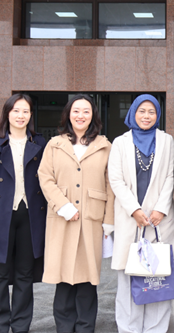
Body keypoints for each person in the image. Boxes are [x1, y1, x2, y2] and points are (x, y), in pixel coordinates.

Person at [38, 94, 115, 333]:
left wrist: (109, 221)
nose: (80, 116)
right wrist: (63, 205)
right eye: (76, 111)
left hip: (92, 219)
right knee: (63, 277)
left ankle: (85, 327)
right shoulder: (55, 144)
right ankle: (64, 326)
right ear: (68, 114)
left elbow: (111, 185)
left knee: (87, 278)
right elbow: (45, 177)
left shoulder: (104, 146)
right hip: (62, 219)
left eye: (86, 111)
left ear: (93, 116)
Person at [108, 94, 174, 333]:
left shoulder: (166, 140)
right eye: (142, 111)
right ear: (133, 113)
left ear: (157, 115)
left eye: (152, 112)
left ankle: (156, 329)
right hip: (131, 221)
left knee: (158, 280)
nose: (146, 116)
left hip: (159, 222)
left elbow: (171, 175)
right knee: (129, 281)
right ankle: (129, 329)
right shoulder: (120, 142)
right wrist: (134, 210)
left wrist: (161, 208)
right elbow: (115, 180)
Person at [0, 93, 47, 333]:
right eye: (16, 110)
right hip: (1, 216)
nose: (21, 115)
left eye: (25, 111)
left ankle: (20, 326)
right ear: (7, 113)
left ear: (30, 115)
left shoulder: (40, 143)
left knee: (25, 273)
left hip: (31, 215)